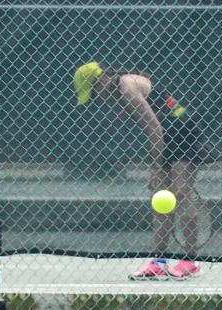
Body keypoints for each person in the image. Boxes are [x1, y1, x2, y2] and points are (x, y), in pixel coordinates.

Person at [73, 61, 205, 280]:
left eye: (94, 91)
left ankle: (190, 260)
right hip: (166, 136)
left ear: (103, 80)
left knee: (181, 194)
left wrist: (155, 166)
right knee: (161, 197)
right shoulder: (118, 95)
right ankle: (159, 260)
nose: (97, 98)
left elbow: (154, 127)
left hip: (183, 131)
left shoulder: (126, 86)